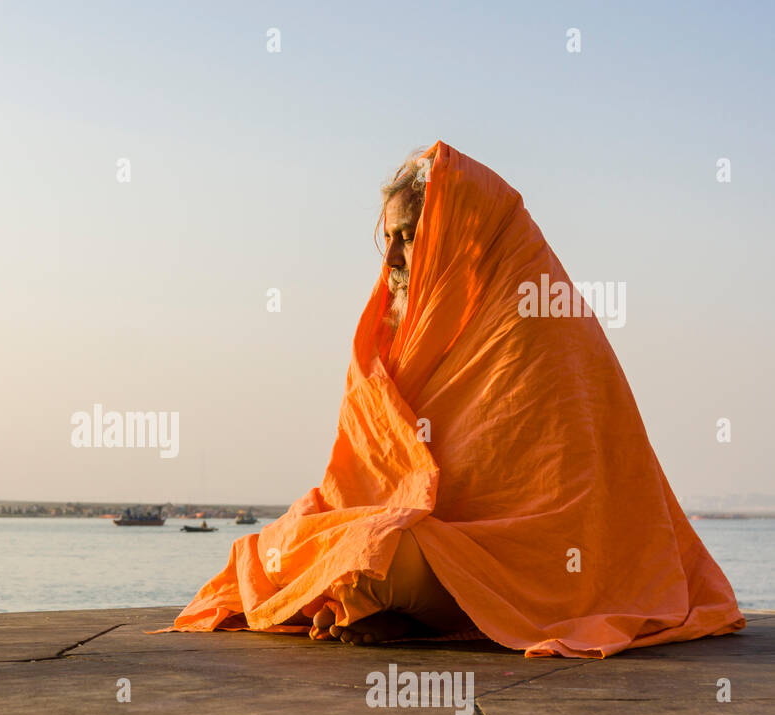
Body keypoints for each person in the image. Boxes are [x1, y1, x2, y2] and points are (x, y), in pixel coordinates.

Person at [163, 142, 744, 658]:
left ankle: (418, 612)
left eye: (409, 237)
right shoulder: (395, 339)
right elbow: (358, 483)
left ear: (455, 235)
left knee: (373, 557)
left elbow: (566, 511)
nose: (390, 259)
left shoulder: (539, 321)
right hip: (434, 549)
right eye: (387, 238)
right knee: (299, 543)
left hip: (528, 570)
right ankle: (405, 611)